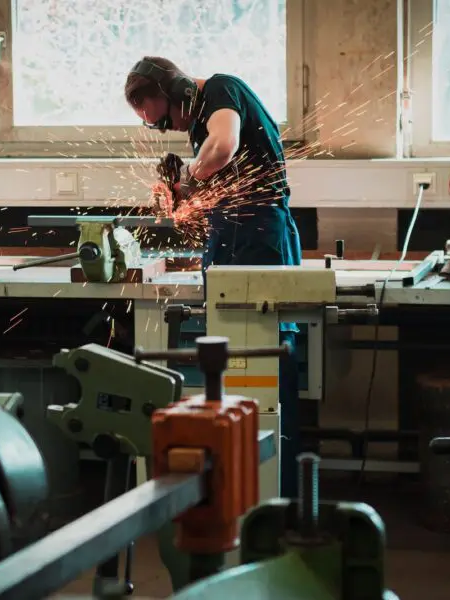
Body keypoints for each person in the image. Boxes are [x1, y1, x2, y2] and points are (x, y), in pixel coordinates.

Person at [124, 56, 303, 498]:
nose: (170, 126)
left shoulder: (222, 91)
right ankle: (241, 481)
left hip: (260, 235)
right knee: (235, 361)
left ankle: (275, 488)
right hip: (231, 234)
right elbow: (213, 172)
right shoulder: (197, 122)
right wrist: (181, 191)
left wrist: (186, 177)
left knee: (267, 362)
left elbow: (222, 149)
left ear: (179, 90)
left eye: (166, 116)